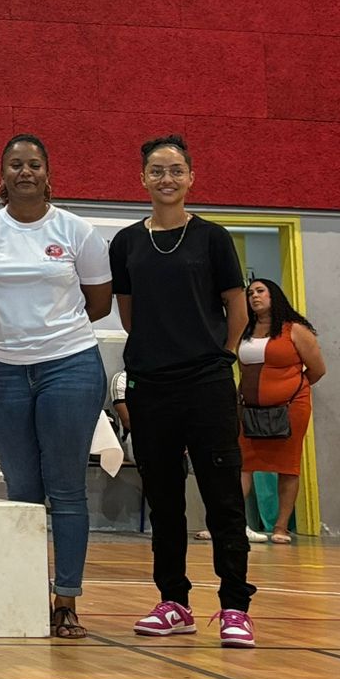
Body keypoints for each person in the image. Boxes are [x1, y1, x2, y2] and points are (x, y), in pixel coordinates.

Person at [0, 135, 111, 639]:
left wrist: (49, 335)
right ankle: (24, 597)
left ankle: (66, 600)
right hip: (0, 371)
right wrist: (13, 338)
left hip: (69, 367)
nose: (25, 172)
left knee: (66, 489)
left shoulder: (77, 231)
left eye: (35, 165)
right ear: (2, 175)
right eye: (16, 164)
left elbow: (99, 303)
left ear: (48, 173)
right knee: (21, 490)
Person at [112, 134, 255, 650]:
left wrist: (223, 356)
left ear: (191, 178)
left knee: (222, 500)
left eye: (175, 170)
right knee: (165, 501)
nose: (166, 178)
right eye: (156, 170)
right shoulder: (126, 243)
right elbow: (129, 315)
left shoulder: (213, 238)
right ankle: (174, 602)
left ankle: (235, 607)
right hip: (151, 387)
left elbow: (236, 307)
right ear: (142, 179)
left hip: (207, 384)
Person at [238, 277, 325, 545]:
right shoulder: (244, 329)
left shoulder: (295, 329)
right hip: (249, 409)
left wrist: (288, 389)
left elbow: (317, 369)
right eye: (250, 293)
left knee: (287, 465)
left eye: (260, 291)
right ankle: (229, 522)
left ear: (273, 295)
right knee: (242, 463)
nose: (254, 296)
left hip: (290, 407)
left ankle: (280, 527)